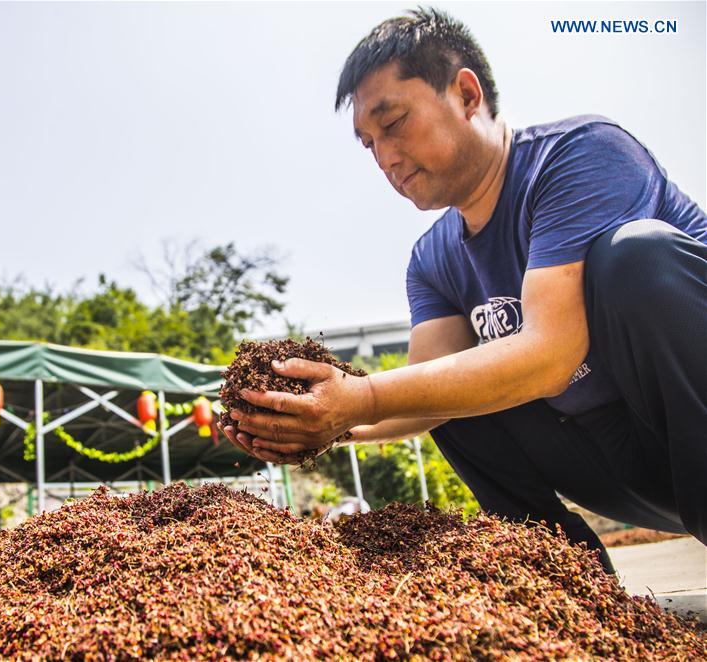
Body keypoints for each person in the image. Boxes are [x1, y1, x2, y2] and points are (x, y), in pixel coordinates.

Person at [221, 8, 706, 570]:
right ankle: (567, 585)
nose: (384, 157)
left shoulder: (584, 155)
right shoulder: (432, 259)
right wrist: (318, 419)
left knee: (636, 258)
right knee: (442, 388)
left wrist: (366, 395)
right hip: (617, 464)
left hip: (684, 425)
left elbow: (551, 355)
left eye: (394, 122)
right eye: (368, 143)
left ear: (466, 93)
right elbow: (418, 398)